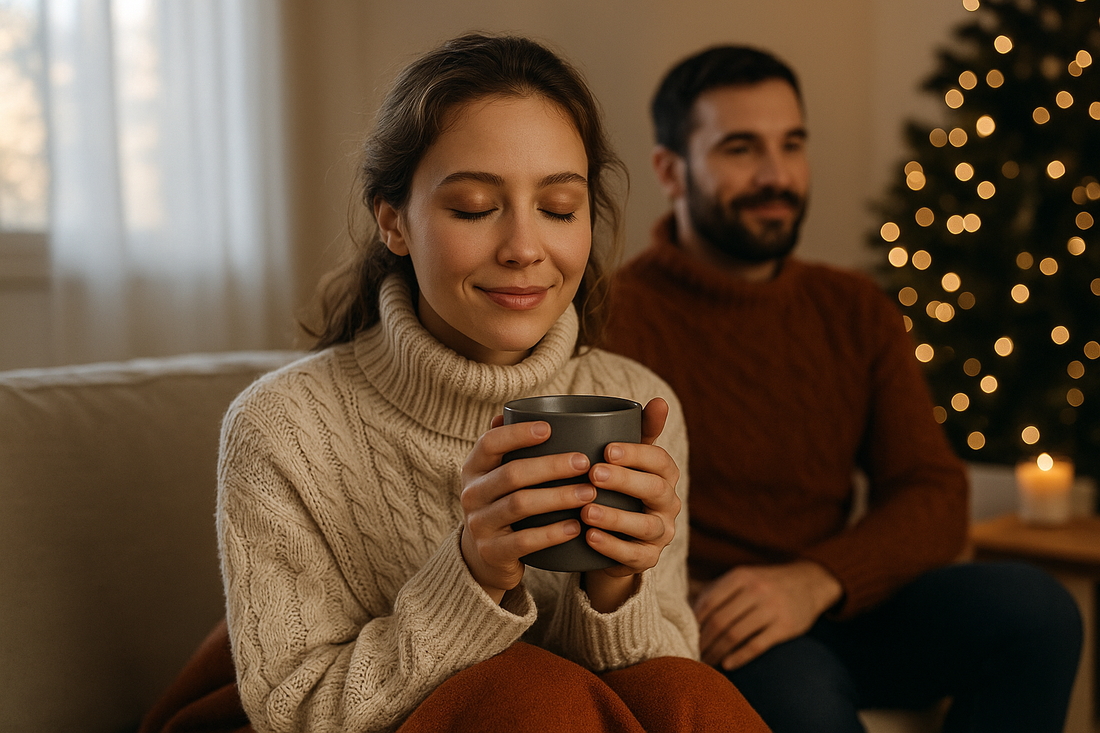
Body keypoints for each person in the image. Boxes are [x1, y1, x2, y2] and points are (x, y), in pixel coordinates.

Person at [140, 33, 770, 733]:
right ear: (393, 221)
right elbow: (295, 711)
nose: (525, 248)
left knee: (692, 692)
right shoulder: (282, 427)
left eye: (559, 208)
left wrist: (616, 584)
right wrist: (470, 575)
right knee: (528, 691)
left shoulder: (638, 403)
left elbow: (661, 686)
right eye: (473, 207)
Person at [601, 44, 1083, 733]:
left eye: (792, 144)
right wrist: (710, 597)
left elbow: (934, 490)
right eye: (741, 148)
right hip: (720, 622)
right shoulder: (616, 317)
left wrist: (816, 579)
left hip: (835, 597)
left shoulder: (852, 307)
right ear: (670, 171)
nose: (778, 175)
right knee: (804, 702)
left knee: (1037, 609)